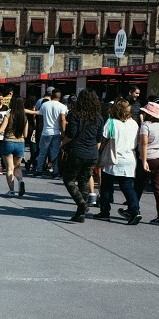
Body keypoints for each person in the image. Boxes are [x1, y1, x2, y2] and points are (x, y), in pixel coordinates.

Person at [61, 90, 104, 222]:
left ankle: (81, 204)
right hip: (92, 153)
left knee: (69, 180)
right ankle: (80, 214)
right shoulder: (99, 117)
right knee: (84, 181)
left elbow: (71, 133)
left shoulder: (75, 114)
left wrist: (62, 143)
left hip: (77, 151)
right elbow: (98, 138)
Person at [97, 99, 140, 224]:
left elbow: (104, 140)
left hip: (113, 158)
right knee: (127, 187)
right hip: (129, 158)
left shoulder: (111, 123)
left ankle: (105, 212)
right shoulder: (134, 124)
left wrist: (99, 154)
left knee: (106, 187)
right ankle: (135, 211)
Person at [138, 102, 159, 226]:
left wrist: (144, 160)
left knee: (138, 185)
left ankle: (133, 209)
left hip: (150, 157)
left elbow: (144, 143)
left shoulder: (146, 125)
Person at [0, 96, 28, 197]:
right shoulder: (24, 117)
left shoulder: (9, 115)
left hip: (8, 142)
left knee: (9, 169)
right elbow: (26, 134)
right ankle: (20, 180)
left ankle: (11, 190)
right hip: (20, 142)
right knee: (17, 167)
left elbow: (1, 130)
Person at [34, 88, 68, 177]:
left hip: (46, 132)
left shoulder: (44, 105)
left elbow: (40, 119)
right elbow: (62, 119)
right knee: (55, 152)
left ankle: (39, 170)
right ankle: (55, 172)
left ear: (51, 95)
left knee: (42, 152)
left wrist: (40, 130)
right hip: (56, 132)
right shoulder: (62, 106)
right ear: (60, 97)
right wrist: (63, 132)